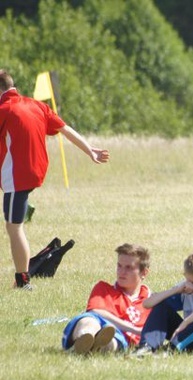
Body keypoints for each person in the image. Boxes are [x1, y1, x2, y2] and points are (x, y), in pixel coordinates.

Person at [0, 70, 109, 290]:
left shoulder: (4, 109)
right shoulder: (36, 105)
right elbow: (65, 129)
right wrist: (90, 150)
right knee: (15, 224)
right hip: (32, 173)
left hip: (16, 178)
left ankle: (23, 280)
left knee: (14, 228)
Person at [61, 244, 151, 354]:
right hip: (99, 324)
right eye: (119, 266)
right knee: (89, 321)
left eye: (128, 267)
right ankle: (83, 341)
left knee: (112, 341)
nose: (121, 272)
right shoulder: (103, 288)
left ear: (144, 272)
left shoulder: (150, 301)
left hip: (120, 338)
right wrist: (133, 329)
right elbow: (96, 311)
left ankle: (92, 348)